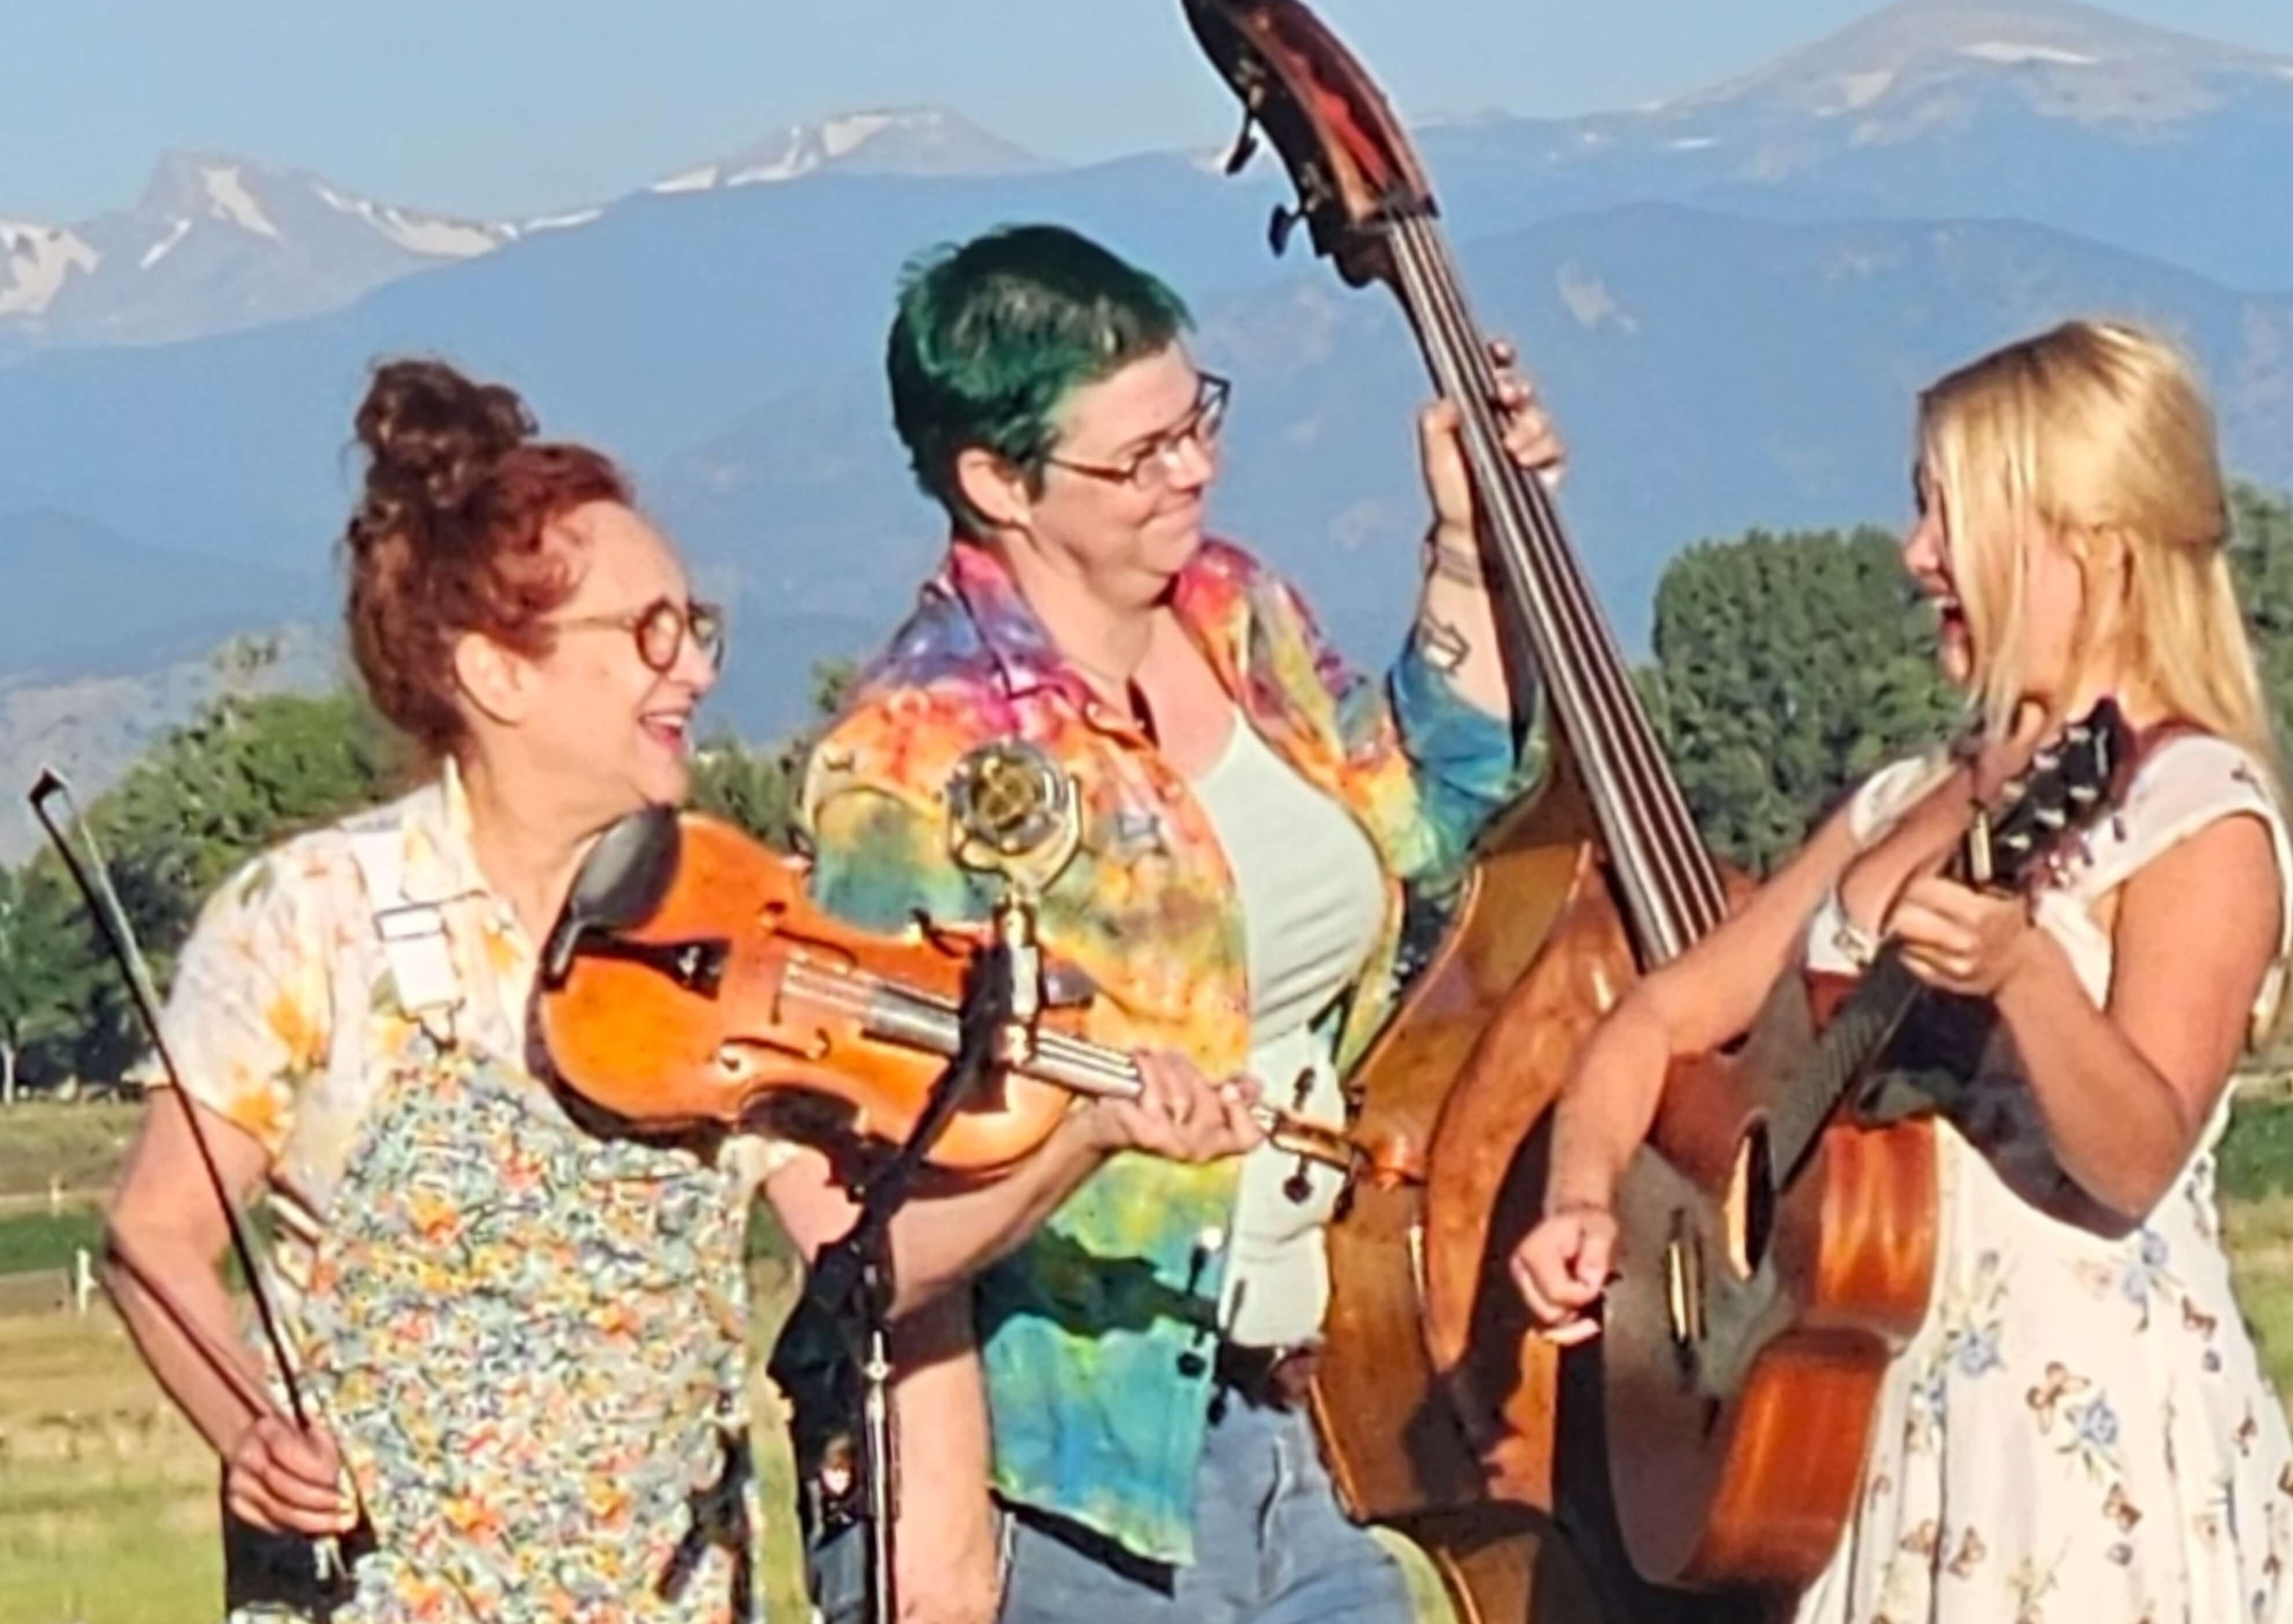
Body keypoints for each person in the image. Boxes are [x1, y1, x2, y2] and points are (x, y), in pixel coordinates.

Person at [105, 356, 1253, 1623]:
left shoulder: (724, 923)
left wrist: (1085, 1137)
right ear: (496, 672)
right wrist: (251, 1430)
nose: (693, 670)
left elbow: (873, 1259)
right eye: (647, 633)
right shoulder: (312, 915)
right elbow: (157, 1235)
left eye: (694, 627)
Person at [787, 222, 1560, 1624]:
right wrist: (1084, 1140)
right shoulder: (913, 762)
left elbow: (1424, 809)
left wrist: (1467, 551)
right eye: (1137, 456)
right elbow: (862, 1236)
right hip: (1064, 1488)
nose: (1193, 469)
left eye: (1195, 421)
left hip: (1303, 1418)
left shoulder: (1233, 611)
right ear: (996, 482)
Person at [1512, 320, 2293, 1623]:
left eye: (1949, 513)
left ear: (2092, 546)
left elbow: (2137, 1160)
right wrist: (1581, 1196)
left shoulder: (2195, 814)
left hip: (2070, 1463)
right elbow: (1657, 1018)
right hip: (1864, 1423)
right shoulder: (1904, 799)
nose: (1916, 552)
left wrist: (2028, 977)